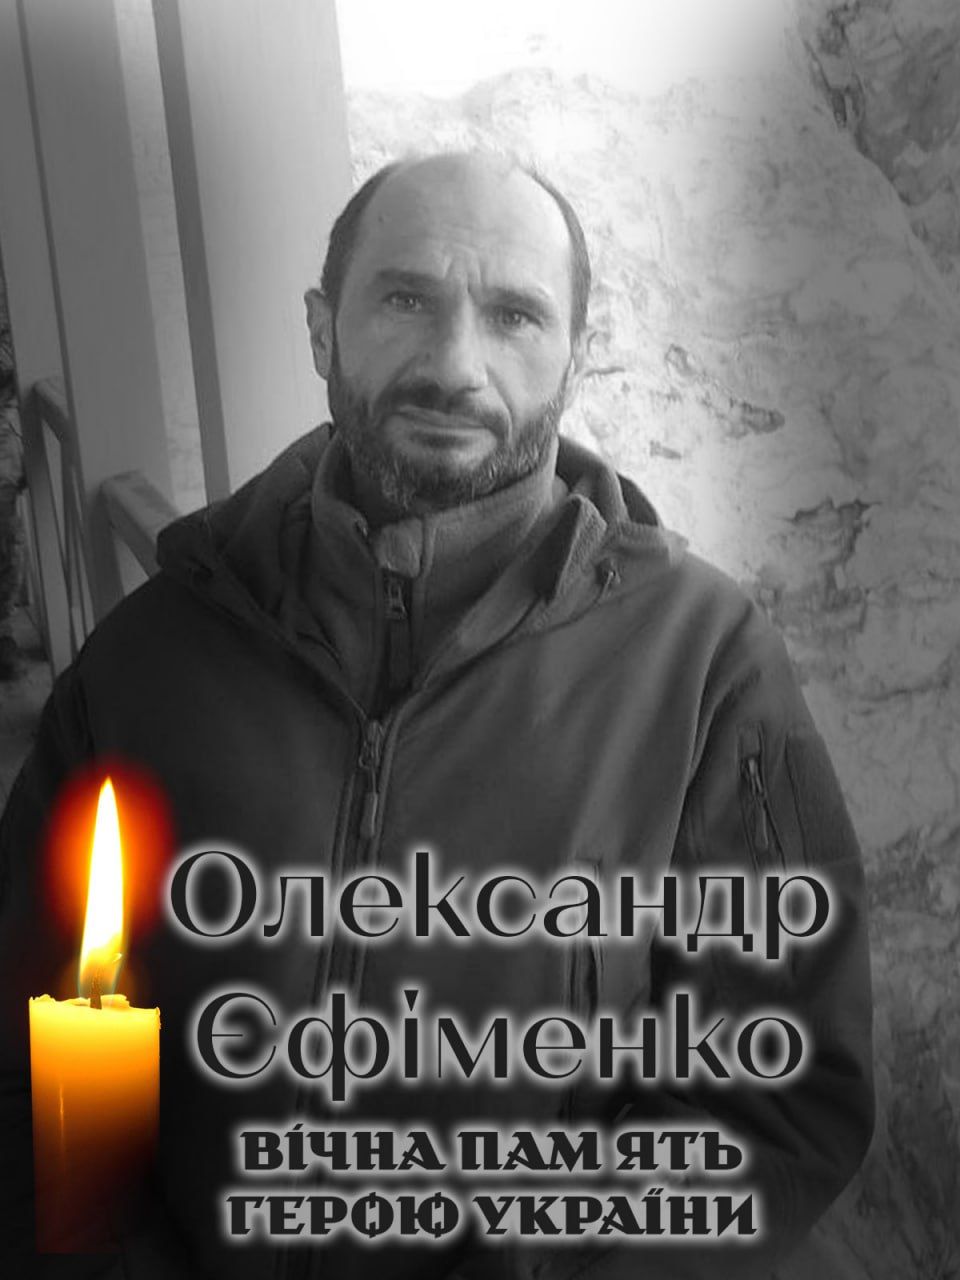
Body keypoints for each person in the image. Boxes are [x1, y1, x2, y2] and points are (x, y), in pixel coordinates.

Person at [0, 152, 872, 1279]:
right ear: (323, 331)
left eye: (515, 315)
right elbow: (44, 1024)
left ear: (577, 355)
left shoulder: (706, 663)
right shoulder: (149, 657)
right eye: (406, 299)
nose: (457, 365)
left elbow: (777, 1094)